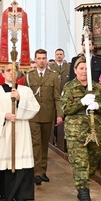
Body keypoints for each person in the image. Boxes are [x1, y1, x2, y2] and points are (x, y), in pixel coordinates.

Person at [0, 64, 40, 201]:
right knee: (5, 164)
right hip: (3, 133)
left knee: (22, 163)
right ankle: (6, 193)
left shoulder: (26, 91)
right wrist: (4, 116)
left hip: (21, 132)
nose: (11, 73)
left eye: (14, 71)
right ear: (2, 73)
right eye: (8, 70)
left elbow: (35, 108)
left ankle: (22, 197)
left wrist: (20, 99)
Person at [61, 57, 101, 201]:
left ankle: (83, 185)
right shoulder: (69, 87)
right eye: (81, 68)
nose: (83, 71)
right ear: (75, 70)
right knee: (80, 163)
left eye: (86, 69)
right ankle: (85, 197)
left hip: (94, 130)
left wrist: (97, 105)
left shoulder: (96, 87)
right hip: (76, 131)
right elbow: (65, 108)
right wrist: (81, 102)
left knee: (92, 161)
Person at [21, 49, 63, 185]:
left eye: (44, 58)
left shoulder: (53, 76)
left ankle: (43, 171)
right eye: (39, 58)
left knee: (45, 144)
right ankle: (37, 172)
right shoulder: (29, 76)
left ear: (46, 60)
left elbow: (57, 97)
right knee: (36, 143)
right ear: (35, 59)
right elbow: (25, 96)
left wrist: (59, 115)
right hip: (33, 115)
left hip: (47, 114)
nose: (41, 61)